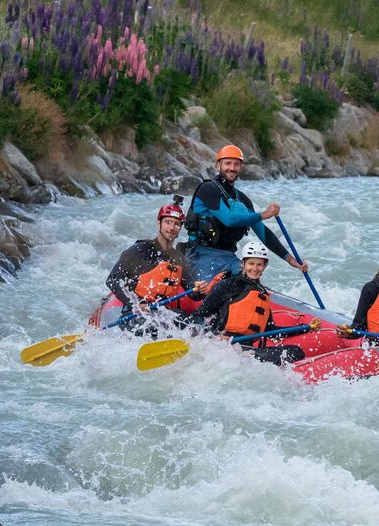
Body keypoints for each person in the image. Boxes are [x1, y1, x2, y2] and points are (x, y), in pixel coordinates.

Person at [180, 144, 309, 281]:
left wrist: (289, 259)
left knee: (249, 278)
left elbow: (263, 233)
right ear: (218, 165)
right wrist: (264, 214)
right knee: (211, 289)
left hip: (228, 257)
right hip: (199, 255)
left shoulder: (243, 200)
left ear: (240, 167)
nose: (232, 168)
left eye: (236, 164)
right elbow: (228, 219)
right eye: (227, 163)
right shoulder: (207, 189)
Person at [188, 241, 308, 365]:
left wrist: (305, 329)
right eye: (251, 263)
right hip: (223, 347)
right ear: (243, 263)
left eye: (259, 265)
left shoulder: (262, 294)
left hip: (247, 350)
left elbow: (270, 330)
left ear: (264, 266)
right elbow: (198, 316)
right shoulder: (228, 285)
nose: (254, 269)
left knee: (295, 351)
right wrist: (213, 336)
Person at [105, 198, 210, 333]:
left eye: (176, 224)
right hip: (135, 314)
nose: (172, 228)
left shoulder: (178, 259)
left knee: (199, 325)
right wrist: (136, 304)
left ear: (180, 228)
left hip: (164, 313)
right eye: (168, 222)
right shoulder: (140, 250)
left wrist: (199, 289)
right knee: (154, 327)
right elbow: (112, 280)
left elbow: (192, 292)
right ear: (159, 223)